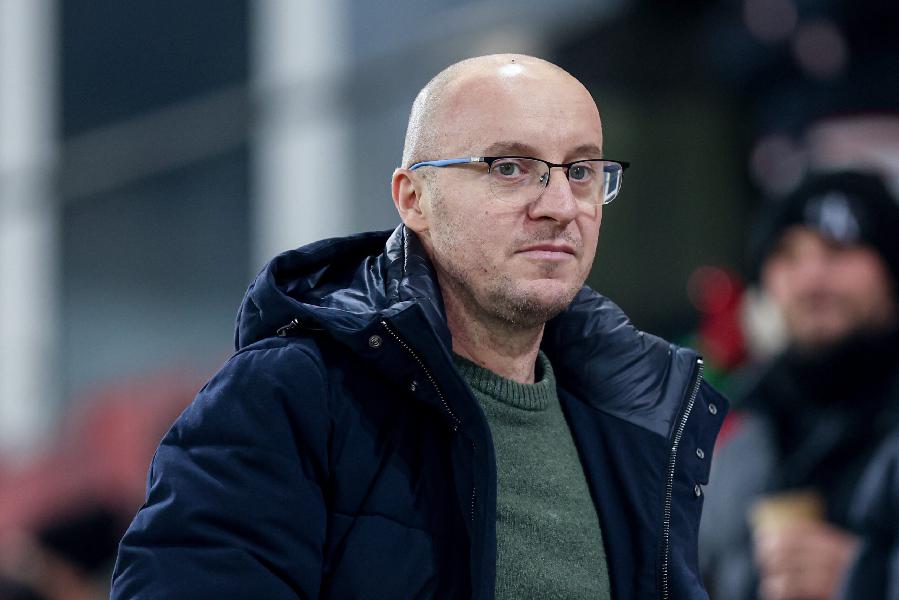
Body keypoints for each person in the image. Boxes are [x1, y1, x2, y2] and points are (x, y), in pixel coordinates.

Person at [110, 54, 728, 599]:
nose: (560, 205)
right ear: (413, 199)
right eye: (510, 168)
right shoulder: (289, 395)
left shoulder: (634, 419)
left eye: (582, 171)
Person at [700, 170, 899, 600]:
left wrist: (867, 578)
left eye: (838, 250)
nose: (812, 278)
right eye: (787, 255)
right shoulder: (733, 421)